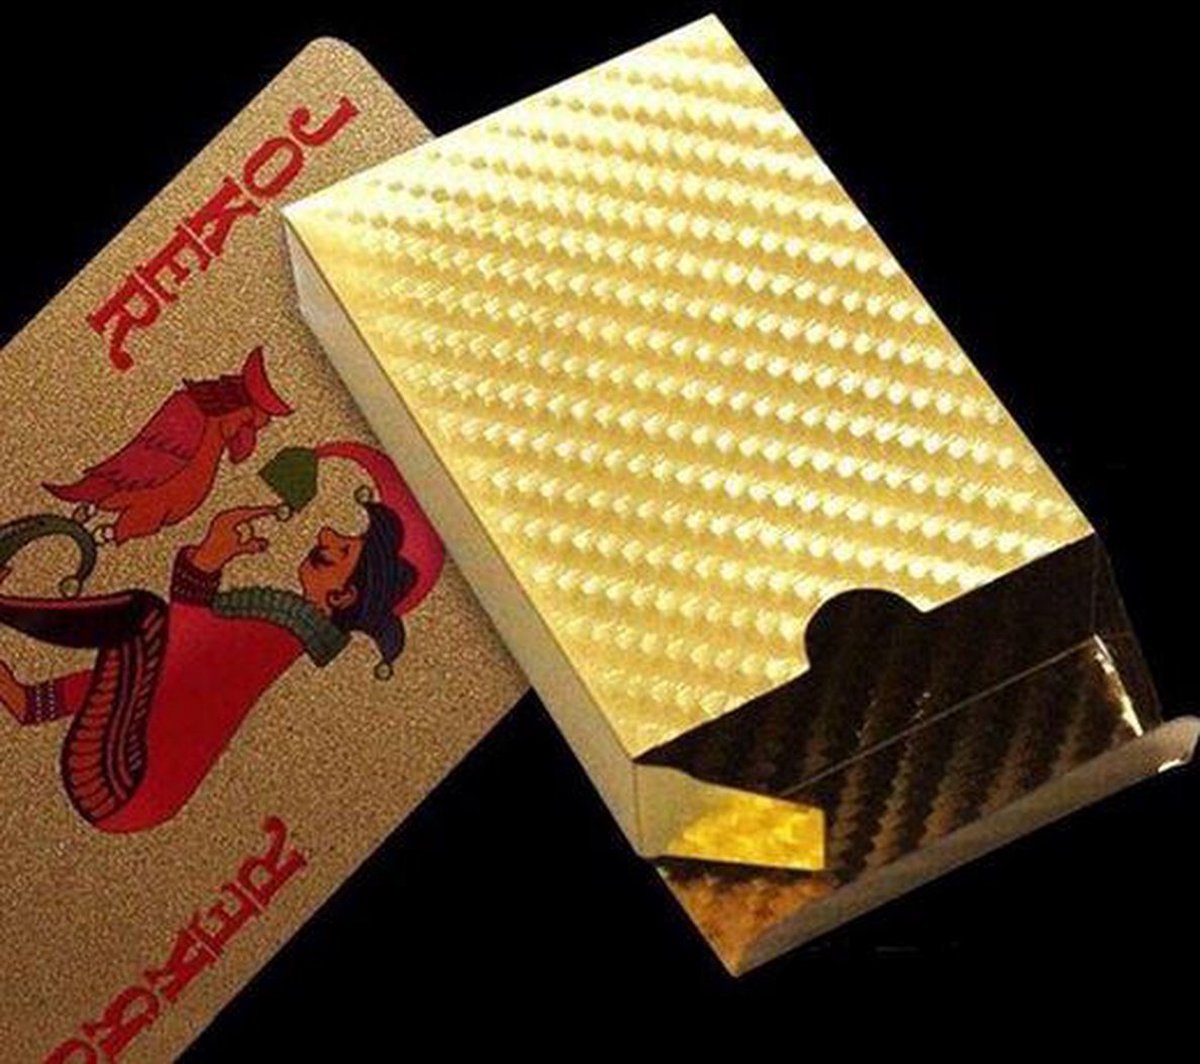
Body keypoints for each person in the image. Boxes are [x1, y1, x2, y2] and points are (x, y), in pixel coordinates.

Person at [0, 441, 443, 833]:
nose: (327, 534)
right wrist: (208, 562)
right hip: (127, 783)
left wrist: (206, 561)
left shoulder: (278, 635)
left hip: (122, 783)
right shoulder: (285, 626)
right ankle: (33, 700)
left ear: (342, 595)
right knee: (145, 639)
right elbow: (151, 680)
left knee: (143, 615)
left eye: (344, 549)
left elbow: (177, 652)